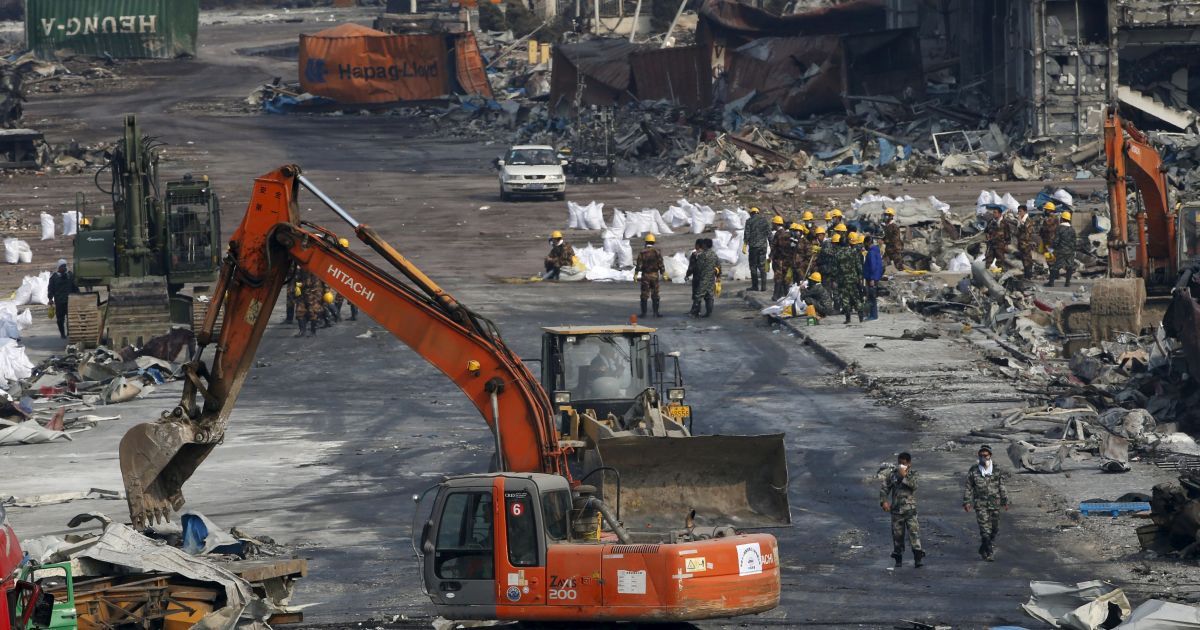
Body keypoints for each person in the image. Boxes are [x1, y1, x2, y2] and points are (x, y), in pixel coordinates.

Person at [963, 444, 1009, 561]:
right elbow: (968, 487)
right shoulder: (974, 470)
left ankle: (983, 548)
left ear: (990, 455)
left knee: (994, 528)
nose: (984, 457)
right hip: (980, 503)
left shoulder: (997, 469)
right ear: (979, 456)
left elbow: (1002, 486)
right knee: (984, 529)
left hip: (994, 503)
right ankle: (989, 552)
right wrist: (967, 501)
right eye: (981, 455)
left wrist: (1005, 500)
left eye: (986, 455)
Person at [881, 452, 924, 568]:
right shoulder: (893, 475)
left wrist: (904, 475)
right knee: (897, 536)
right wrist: (884, 501)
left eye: (903, 463)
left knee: (914, 534)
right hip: (896, 510)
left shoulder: (913, 474)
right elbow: (884, 488)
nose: (901, 465)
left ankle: (918, 558)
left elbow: (914, 486)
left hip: (910, 510)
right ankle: (898, 559)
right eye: (899, 463)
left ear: (909, 464)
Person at [686, 239, 720, 318]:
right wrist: (718, 277)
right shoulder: (714, 255)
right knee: (709, 295)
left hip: (701, 278)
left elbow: (697, 267)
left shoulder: (701, 255)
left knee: (698, 295)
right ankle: (709, 313)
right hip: (711, 279)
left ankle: (695, 312)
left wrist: (688, 275)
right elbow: (718, 267)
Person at [837, 231, 865, 323]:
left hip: (843, 279)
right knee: (856, 297)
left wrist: (835, 279)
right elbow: (859, 266)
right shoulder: (853, 252)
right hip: (853, 278)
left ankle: (848, 318)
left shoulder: (837, 254)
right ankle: (861, 316)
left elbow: (835, 268)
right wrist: (860, 276)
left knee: (845, 298)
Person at [634, 233, 665, 317]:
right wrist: (663, 273)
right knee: (655, 294)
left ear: (645, 242)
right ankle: (656, 313)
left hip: (645, 276)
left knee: (644, 294)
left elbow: (639, 265)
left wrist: (636, 274)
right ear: (653, 242)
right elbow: (661, 264)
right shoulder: (657, 252)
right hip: (655, 276)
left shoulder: (642, 253)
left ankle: (643, 313)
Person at [47, 259, 78, 339]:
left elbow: (75, 287)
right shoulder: (54, 277)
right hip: (59, 301)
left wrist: (78, 296)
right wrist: (50, 299)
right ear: (59, 267)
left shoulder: (70, 275)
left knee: (70, 318)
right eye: (62, 266)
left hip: (70, 300)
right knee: (60, 319)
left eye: (65, 266)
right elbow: (51, 289)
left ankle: (69, 333)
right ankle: (62, 333)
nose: (64, 268)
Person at [1046, 210, 1077, 287]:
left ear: (1062, 219)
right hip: (1070, 251)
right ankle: (1067, 283)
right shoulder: (1072, 229)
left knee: (1055, 266)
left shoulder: (1059, 228)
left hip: (1061, 251)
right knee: (1069, 266)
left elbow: (1056, 240)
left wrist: (1052, 248)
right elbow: (1074, 241)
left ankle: (1051, 283)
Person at [743, 207, 771, 292]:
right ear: (758, 212)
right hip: (763, 247)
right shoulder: (764, 220)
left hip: (753, 247)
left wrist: (745, 244)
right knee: (762, 266)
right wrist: (772, 244)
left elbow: (747, 234)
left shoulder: (749, 221)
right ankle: (763, 286)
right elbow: (769, 233)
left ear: (751, 213)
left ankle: (755, 286)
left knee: (753, 266)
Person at [294, 269, 326, 337]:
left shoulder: (314, 268)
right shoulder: (301, 269)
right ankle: (302, 331)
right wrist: (297, 286)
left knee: (313, 312)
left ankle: (313, 332)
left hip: (314, 293)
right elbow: (297, 279)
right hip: (303, 292)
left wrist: (327, 291)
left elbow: (309, 283)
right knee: (299, 310)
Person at [770, 217, 794, 300]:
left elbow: (774, 247)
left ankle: (776, 295)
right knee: (785, 277)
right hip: (787, 259)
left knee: (778, 277)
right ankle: (785, 295)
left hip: (778, 259)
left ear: (776, 224)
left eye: (773, 224)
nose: (772, 225)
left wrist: (770, 257)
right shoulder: (788, 234)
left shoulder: (778, 234)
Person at [863, 234, 884, 321]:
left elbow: (873, 266)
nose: (864, 245)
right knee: (872, 296)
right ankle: (872, 314)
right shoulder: (876, 250)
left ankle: (873, 315)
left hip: (871, 278)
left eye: (865, 243)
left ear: (868, 242)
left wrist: (872, 278)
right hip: (875, 277)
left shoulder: (871, 252)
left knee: (871, 297)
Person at [1014, 204, 1037, 277]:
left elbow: (1027, 233)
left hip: (1026, 244)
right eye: (1018, 211)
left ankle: (1028, 275)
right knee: (1024, 259)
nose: (1019, 213)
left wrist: (1020, 223)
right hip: (1022, 243)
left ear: (1025, 211)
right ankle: (1027, 275)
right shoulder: (1022, 221)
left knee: (1027, 259)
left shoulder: (1028, 221)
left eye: (1020, 211)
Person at [789, 222, 811, 287]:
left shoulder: (805, 241)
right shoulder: (794, 240)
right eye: (796, 231)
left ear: (801, 232)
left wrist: (804, 265)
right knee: (795, 284)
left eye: (799, 231)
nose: (797, 233)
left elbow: (809, 255)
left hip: (802, 267)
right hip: (794, 266)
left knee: (802, 284)